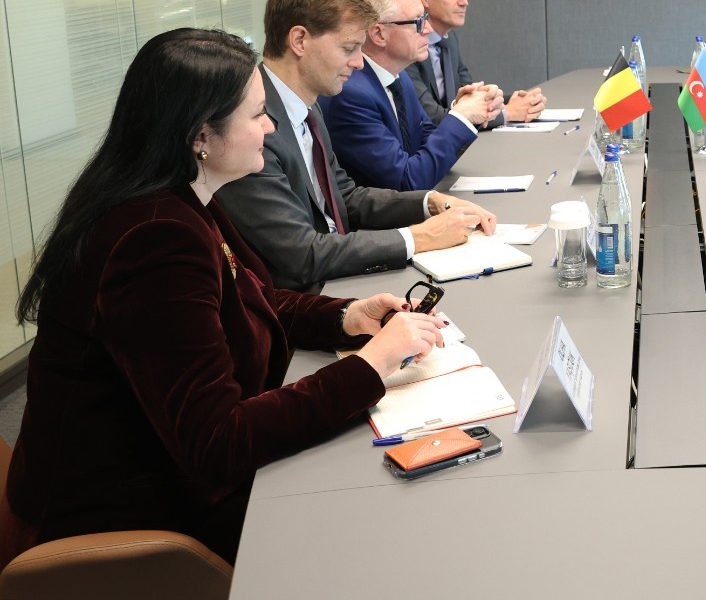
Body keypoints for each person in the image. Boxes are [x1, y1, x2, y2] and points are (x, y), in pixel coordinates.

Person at [0, 28, 448, 567]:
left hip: (166, 480)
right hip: (127, 526)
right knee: (375, 531)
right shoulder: (154, 237)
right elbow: (217, 443)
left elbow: (250, 298)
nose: (271, 127)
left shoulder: (183, 198)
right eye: (258, 114)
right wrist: (372, 366)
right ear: (201, 136)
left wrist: (349, 317)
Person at [218, 0, 496, 293]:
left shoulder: (308, 106)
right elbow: (303, 253)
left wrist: (428, 202)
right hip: (302, 303)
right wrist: (420, 237)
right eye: (348, 48)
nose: (360, 63)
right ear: (299, 41)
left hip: (338, 279)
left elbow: (345, 197)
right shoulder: (252, 128)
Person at [320, 0, 502, 191]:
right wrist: (461, 117)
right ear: (379, 34)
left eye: (425, 18)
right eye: (418, 21)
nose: (428, 29)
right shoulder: (351, 95)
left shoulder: (399, 77)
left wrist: (465, 111)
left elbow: (427, 140)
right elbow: (407, 180)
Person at [408, 0, 546, 124]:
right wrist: (508, 113)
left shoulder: (449, 39)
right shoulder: (407, 46)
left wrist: (512, 101)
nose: (464, 2)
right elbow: (432, 117)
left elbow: (469, 98)